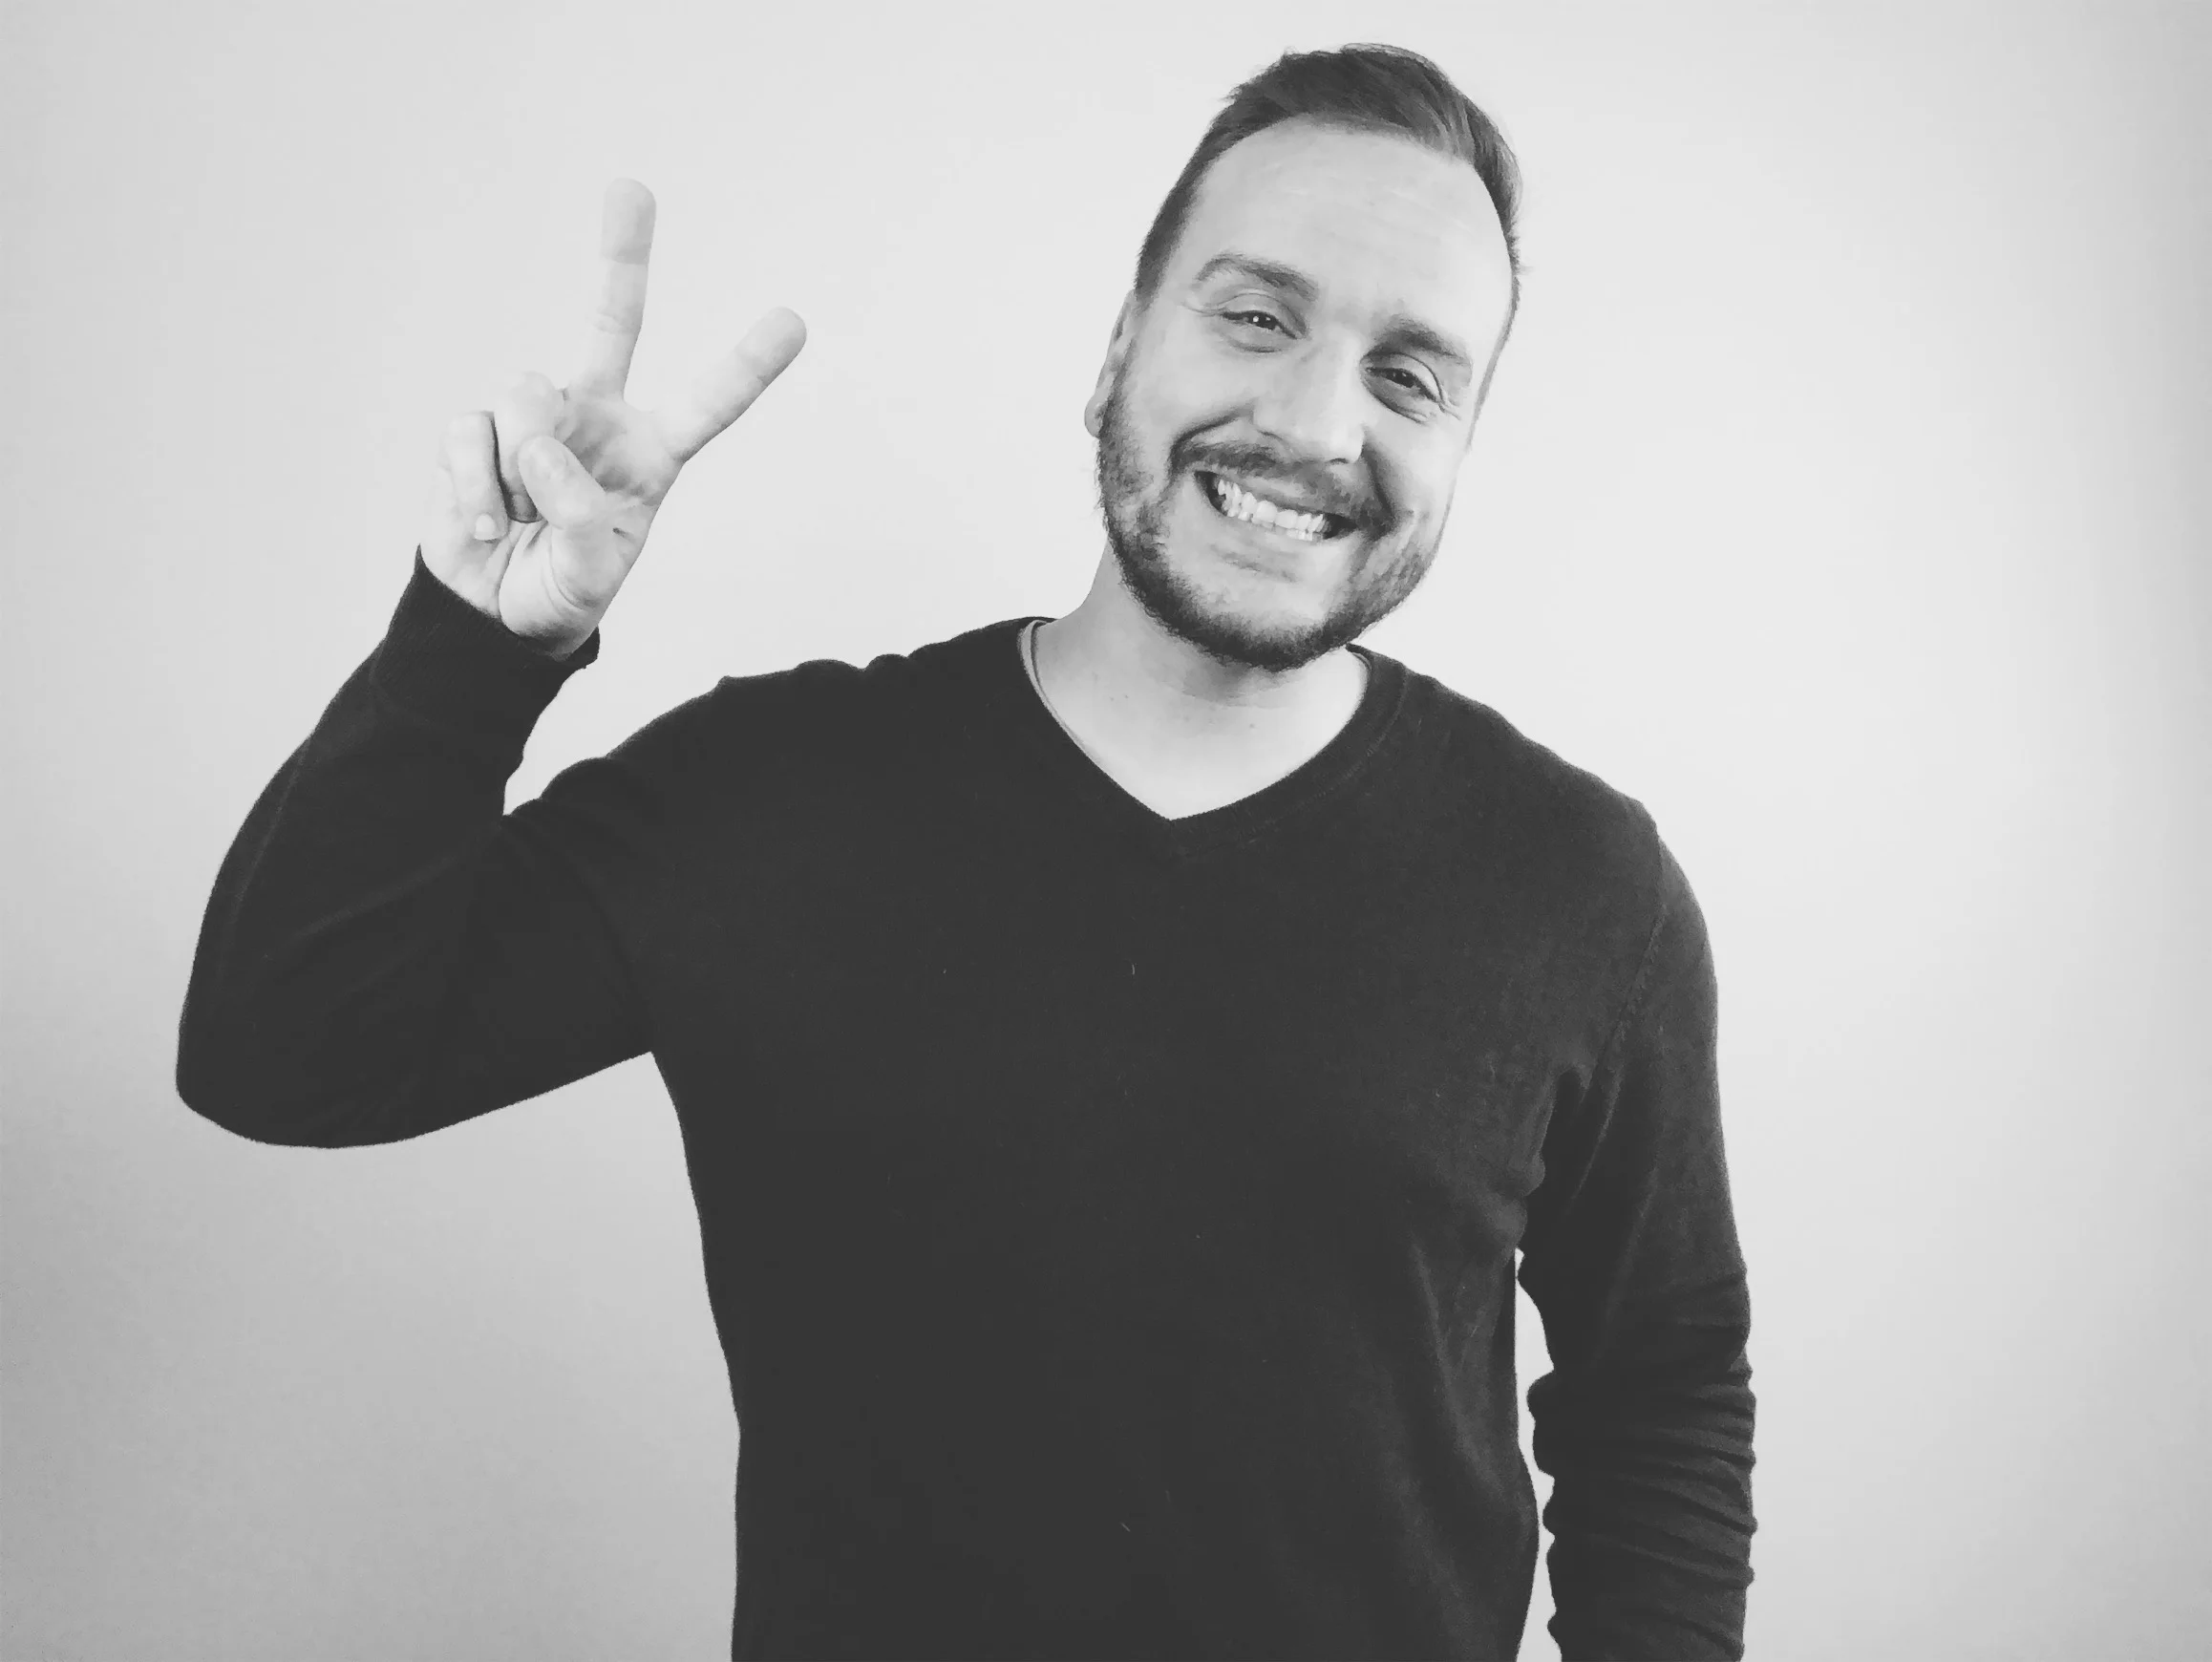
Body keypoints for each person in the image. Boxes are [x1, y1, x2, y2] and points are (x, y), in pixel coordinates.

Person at [178, 42, 1756, 1662]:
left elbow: (1664, 1385)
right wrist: (473, 646)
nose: (1311, 421)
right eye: (1257, 315)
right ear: (1118, 352)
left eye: (1410, 374)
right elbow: (284, 1050)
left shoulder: (1582, 889)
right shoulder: (776, 795)